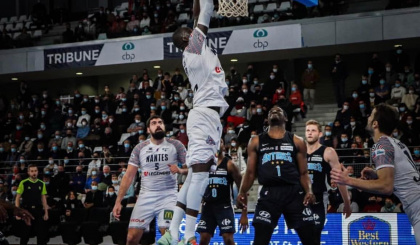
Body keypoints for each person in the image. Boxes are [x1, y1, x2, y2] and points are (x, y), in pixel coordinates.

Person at [157, 0, 229, 243]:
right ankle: (188, 236)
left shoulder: (193, 51)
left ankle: (172, 233)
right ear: (189, 37)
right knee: (199, 175)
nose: (194, 29)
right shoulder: (195, 46)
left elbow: (198, 13)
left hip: (208, 117)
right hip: (204, 116)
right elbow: (205, 13)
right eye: (192, 30)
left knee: (192, 176)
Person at [331, 103, 420, 244]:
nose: (368, 117)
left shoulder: (381, 145)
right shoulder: (398, 143)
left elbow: (386, 187)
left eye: (371, 115)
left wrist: (347, 180)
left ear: (375, 124)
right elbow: (402, 176)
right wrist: (376, 174)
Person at [237, 106, 316, 245]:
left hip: (294, 192)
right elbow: (250, 173)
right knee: (260, 238)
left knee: (310, 238)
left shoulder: (297, 141)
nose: (274, 111)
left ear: (285, 118)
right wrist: (242, 191)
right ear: (267, 119)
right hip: (269, 193)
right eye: (271, 111)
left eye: (279, 111)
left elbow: (304, 173)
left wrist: (309, 191)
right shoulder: (256, 141)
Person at [112, 115, 187, 245]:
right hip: (146, 196)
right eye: (154, 123)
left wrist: (180, 170)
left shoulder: (176, 145)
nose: (158, 125)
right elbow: (129, 175)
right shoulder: (140, 148)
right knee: (131, 238)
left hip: (168, 195)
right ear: (148, 129)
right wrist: (118, 202)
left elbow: (191, 169)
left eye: (160, 122)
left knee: (169, 236)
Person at [305, 120, 352, 242]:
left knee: (315, 234)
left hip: (319, 197)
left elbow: (339, 179)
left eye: (313, 130)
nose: (310, 133)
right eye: (308, 130)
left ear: (320, 134)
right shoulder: (299, 152)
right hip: (300, 197)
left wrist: (346, 203)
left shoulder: (328, 152)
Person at [196, 139, 244, 245]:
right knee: (203, 239)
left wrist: (244, 213)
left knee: (228, 239)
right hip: (207, 206)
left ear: (224, 146)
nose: (217, 144)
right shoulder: (204, 163)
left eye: (220, 141)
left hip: (224, 206)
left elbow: (243, 188)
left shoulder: (230, 164)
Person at [15, 164, 49, 245]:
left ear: (38, 172)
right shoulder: (23, 183)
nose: (34, 173)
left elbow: (43, 198)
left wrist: (46, 212)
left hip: (38, 210)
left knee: (41, 234)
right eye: (32, 171)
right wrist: (17, 212)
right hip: (26, 211)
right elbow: (17, 198)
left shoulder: (42, 183)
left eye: (35, 171)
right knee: (25, 234)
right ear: (28, 172)